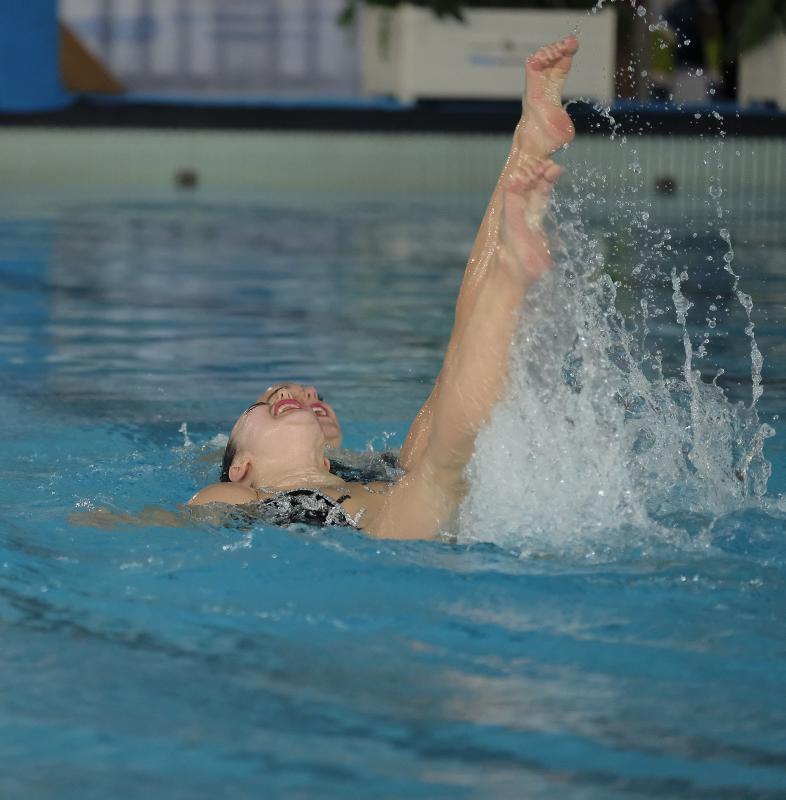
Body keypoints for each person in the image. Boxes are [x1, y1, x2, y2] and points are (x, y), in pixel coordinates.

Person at [189, 36, 580, 540]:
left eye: (305, 399)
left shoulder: (368, 476)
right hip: (388, 523)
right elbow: (166, 523)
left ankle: (528, 152)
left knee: (450, 389)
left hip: (389, 504)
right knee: (441, 463)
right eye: (264, 404)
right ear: (240, 466)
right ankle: (510, 271)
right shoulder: (238, 494)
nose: (299, 394)